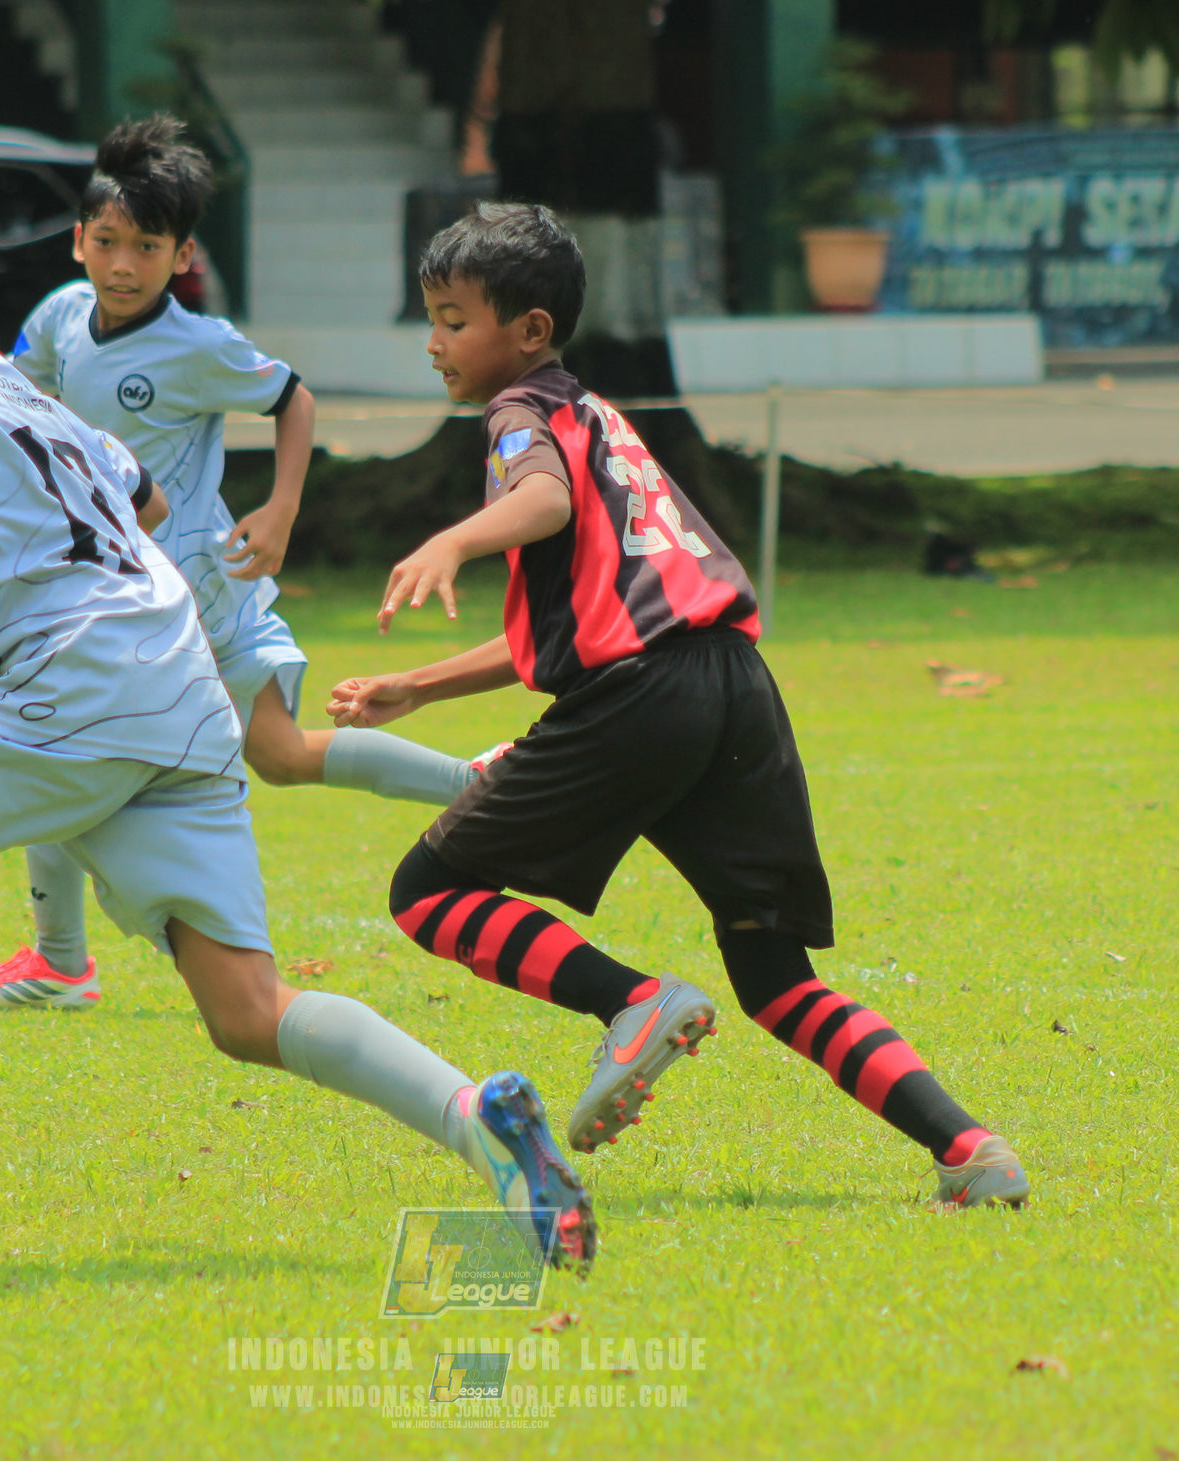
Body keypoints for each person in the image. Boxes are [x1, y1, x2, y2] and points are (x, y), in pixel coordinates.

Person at [0, 173, 594, 1277]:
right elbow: (138, 496)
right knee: (246, 1008)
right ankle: (477, 1119)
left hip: (76, 676)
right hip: (178, 678)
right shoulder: (14, 383)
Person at [325, 203, 1031, 1210]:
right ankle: (970, 1148)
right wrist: (416, 685)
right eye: (430, 317)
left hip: (641, 700)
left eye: (451, 318)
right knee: (774, 974)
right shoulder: (598, 416)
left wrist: (456, 539)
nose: (435, 342)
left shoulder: (517, 413)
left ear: (527, 331)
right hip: (729, 688)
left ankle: (633, 1000)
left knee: (426, 893)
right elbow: (577, 622)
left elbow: (540, 505)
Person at [0, 116, 489, 1012]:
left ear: (181, 254)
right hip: (110, 592)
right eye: (108, 241)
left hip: (194, 586)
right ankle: (480, 783)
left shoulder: (198, 345)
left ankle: (60, 961)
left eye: (146, 247)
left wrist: (280, 510)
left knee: (56, 735)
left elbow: (293, 399)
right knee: (258, 752)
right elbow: (21, 396)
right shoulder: (56, 318)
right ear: (79, 238)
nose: (122, 264)